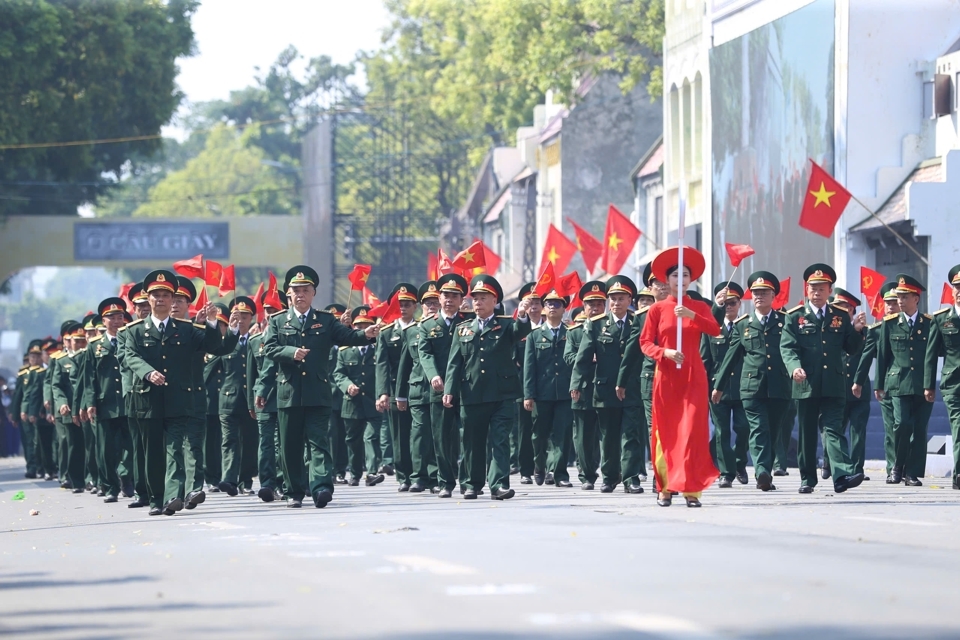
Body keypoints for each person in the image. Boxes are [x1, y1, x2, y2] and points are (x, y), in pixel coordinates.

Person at [121, 269, 239, 516]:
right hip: (148, 400)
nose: (162, 300)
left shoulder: (186, 329)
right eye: (157, 295)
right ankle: (156, 500)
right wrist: (147, 372)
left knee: (175, 449)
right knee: (153, 454)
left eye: (167, 295)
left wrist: (210, 324)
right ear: (148, 299)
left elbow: (212, 346)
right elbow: (129, 356)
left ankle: (173, 496)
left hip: (178, 400)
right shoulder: (133, 331)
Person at [261, 266, 380, 508]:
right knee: (290, 446)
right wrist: (291, 352)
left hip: (318, 392)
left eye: (305, 290)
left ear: (313, 293)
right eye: (296, 291)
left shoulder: (325, 320)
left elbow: (346, 337)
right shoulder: (277, 321)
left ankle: (321, 487)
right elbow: (269, 348)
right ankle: (294, 491)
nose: (300, 295)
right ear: (288, 295)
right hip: (289, 393)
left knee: (318, 442)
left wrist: (365, 334)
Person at [639, 247, 721, 507]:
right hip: (666, 378)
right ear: (667, 280)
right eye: (675, 275)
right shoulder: (657, 310)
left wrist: (692, 316)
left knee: (692, 433)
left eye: (685, 275)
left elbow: (715, 329)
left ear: (691, 279)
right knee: (667, 432)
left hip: (693, 377)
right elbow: (645, 343)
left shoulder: (699, 306)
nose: (681, 279)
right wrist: (665, 352)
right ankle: (665, 488)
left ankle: (692, 490)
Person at [443, 274, 532, 500]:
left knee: (500, 440)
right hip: (472, 394)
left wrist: (522, 315)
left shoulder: (505, 325)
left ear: (495, 301)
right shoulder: (463, 329)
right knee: (473, 441)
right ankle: (472, 483)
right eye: (476, 299)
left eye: (483, 298)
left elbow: (520, 332)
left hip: (502, 394)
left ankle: (499, 484)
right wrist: (449, 391)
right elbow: (455, 363)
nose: (478, 303)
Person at [780, 264, 865, 494]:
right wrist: (794, 368)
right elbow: (788, 348)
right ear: (806, 290)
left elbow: (851, 348)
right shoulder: (795, 317)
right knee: (807, 433)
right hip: (805, 384)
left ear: (830, 291)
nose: (816, 292)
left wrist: (857, 330)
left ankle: (841, 475)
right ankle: (807, 478)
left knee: (833, 430)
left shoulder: (839, 316)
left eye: (821, 288)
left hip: (833, 384)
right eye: (812, 288)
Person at [712, 271, 789, 492]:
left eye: (764, 292)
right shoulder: (742, 325)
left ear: (773, 295)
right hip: (751, 387)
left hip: (779, 387)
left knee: (773, 432)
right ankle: (762, 472)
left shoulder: (786, 321)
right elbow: (730, 358)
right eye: (755, 292)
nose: (759, 296)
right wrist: (718, 386)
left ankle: (765, 470)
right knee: (758, 429)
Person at [572, 275, 645, 494]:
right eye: (612, 298)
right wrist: (576, 383)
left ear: (629, 299)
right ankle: (610, 476)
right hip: (605, 389)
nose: (616, 302)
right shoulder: (596, 325)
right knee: (609, 437)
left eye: (620, 298)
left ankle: (631, 478)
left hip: (632, 388)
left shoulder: (638, 321)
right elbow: (583, 357)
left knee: (631, 435)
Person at [417, 274, 474, 498]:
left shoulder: (468, 323)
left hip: (466, 387)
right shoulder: (428, 325)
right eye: (446, 296)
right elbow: (425, 353)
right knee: (441, 438)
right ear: (439, 299)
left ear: (461, 300)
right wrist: (433, 376)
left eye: (454, 296)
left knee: (468, 435)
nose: (449, 300)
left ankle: (468, 481)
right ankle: (445, 482)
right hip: (439, 387)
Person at [875, 274, 933, 486]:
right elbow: (883, 356)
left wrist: (930, 384)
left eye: (905, 296)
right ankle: (897, 466)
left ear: (916, 298)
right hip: (898, 383)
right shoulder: (890, 323)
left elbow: (933, 354)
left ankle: (912, 473)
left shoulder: (929, 323)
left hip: (923, 383)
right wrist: (879, 385)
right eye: (898, 296)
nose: (900, 300)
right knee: (901, 424)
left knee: (919, 429)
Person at [78, 298, 130, 503]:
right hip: (104, 403)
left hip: (129, 401)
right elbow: (88, 378)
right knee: (105, 450)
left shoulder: (131, 339)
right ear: (104, 321)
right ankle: (110, 488)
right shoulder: (94, 347)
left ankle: (126, 475)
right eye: (112, 317)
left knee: (131, 446)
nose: (117, 321)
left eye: (120, 317)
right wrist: (89, 403)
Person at [522, 288, 575, 488]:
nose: (553, 307)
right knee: (539, 434)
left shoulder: (570, 333)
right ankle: (539, 465)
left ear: (564, 309)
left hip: (564, 392)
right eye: (549, 304)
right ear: (544, 308)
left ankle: (559, 473)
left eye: (557, 304)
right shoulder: (535, 335)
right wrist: (529, 394)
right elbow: (529, 367)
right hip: (541, 393)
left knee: (562, 434)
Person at [395, 281, 442, 493]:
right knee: (419, 433)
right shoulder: (412, 331)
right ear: (421, 306)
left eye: (435, 302)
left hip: (439, 389)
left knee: (437, 433)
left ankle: (435, 476)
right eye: (427, 303)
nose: (431, 306)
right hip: (417, 389)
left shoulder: (446, 328)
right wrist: (400, 395)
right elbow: (404, 365)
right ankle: (418, 476)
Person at [703, 282, 749, 487]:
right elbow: (705, 359)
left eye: (733, 303)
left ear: (740, 303)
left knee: (744, 428)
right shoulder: (712, 328)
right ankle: (726, 472)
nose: (729, 307)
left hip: (743, 386)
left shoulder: (748, 325)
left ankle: (740, 462)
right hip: (716, 388)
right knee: (721, 431)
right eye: (725, 303)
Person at [334, 306, 387, 487]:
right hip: (352, 403)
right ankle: (355, 473)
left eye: (366, 325)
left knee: (371, 437)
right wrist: (347, 386)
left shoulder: (378, 349)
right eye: (358, 326)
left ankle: (371, 472)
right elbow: (338, 374)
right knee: (353, 441)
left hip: (373, 401)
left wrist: (383, 394)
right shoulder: (345, 350)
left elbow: (383, 372)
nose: (362, 329)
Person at [375, 283, 418, 491]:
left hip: (418, 388)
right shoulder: (386, 333)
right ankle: (404, 477)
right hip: (394, 390)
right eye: (400, 304)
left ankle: (422, 474)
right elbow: (382, 365)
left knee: (420, 434)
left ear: (415, 306)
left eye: (407, 304)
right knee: (400, 435)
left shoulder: (421, 329)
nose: (403, 308)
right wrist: (382, 393)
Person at [854, 282, 899, 480]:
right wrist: (859, 381)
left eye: (894, 302)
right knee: (891, 429)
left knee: (911, 428)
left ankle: (909, 468)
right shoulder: (877, 330)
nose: (890, 306)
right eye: (887, 303)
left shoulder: (918, 326)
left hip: (912, 385)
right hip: (888, 386)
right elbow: (865, 358)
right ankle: (894, 468)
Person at [565, 283, 606, 490]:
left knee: (607, 434)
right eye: (591, 304)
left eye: (599, 304)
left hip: (607, 388)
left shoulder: (610, 328)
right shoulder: (574, 332)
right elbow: (568, 356)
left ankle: (608, 472)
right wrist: (589, 358)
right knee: (583, 436)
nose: (595, 308)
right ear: (584, 307)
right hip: (583, 387)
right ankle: (586, 475)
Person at [217, 296, 260, 497]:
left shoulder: (257, 342)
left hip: (252, 401)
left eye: (245, 316)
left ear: (252, 318)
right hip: (228, 400)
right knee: (229, 440)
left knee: (250, 442)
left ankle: (245, 480)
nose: (241, 320)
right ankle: (229, 479)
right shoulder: (224, 342)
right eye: (237, 316)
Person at [828, 287, 870, 480]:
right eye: (837, 307)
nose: (840, 311)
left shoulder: (866, 332)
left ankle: (856, 468)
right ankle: (831, 463)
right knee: (834, 430)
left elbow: (868, 356)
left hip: (859, 389)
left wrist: (861, 332)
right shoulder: (829, 330)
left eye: (845, 308)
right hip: (837, 388)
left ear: (852, 310)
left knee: (858, 431)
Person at [925, 264, 960, 490]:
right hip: (952, 382)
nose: (959, 290)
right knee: (959, 424)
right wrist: (929, 385)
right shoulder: (941, 319)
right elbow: (931, 354)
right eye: (956, 286)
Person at [250, 290, 286, 502]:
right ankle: (266, 484)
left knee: (281, 443)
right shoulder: (255, 341)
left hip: (283, 396)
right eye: (267, 310)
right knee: (265, 444)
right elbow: (251, 375)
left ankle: (282, 482)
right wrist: (250, 403)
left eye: (275, 310)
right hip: (261, 400)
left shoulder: (288, 336)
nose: (271, 315)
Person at [513, 282, 542, 484]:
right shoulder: (517, 329)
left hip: (548, 385)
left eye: (537, 302)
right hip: (523, 385)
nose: (533, 306)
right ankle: (525, 469)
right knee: (524, 430)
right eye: (528, 302)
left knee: (546, 429)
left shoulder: (551, 327)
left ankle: (545, 468)